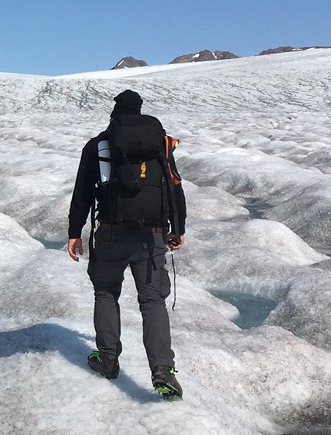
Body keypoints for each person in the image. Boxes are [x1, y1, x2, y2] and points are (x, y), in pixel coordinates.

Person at [66, 90, 187, 399]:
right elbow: (174, 186)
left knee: (106, 292)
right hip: (152, 235)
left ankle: (107, 359)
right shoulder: (159, 143)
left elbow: (82, 193)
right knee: (152, 301)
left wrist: (74, 232)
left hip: (109, 234)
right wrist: (178, 228)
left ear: (114, 114)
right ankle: (163, 370)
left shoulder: (99, 145)